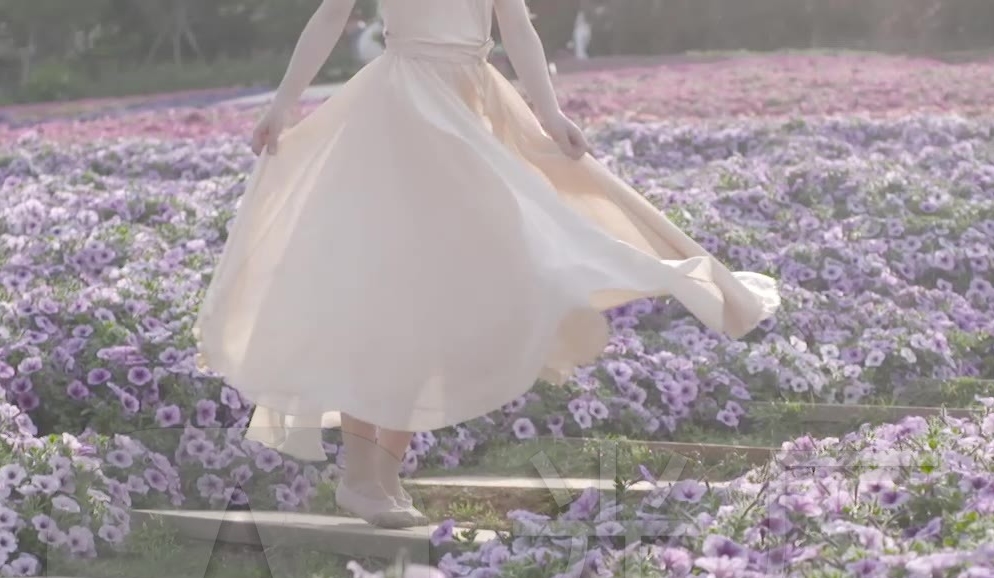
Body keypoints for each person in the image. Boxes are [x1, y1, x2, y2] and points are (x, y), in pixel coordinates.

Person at [198, 0, 780, 528]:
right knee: (381, 287)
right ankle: (360, 474)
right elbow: (330, 15)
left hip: (471, 106)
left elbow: (517, 23)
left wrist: (549, 113)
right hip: (399, 111)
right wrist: (282, 102)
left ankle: (384, 473)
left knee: (444, 297)